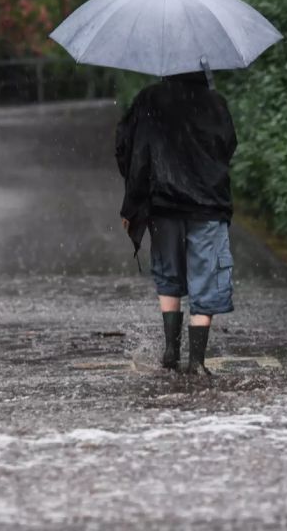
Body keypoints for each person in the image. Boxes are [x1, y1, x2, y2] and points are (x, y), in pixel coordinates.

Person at [115, 70, 237, 375]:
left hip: (164, 204)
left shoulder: (150, 99)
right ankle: (197, 361)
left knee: (168, 273)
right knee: (206, 277)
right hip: (209, 205)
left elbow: (131, 151)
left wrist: (132, 206)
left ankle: (171, 349)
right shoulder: (216, 104)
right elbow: (228, 147)